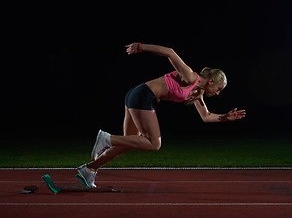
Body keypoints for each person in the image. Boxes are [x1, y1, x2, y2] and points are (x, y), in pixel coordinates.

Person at [76, 43, 246, 188]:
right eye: (218, 89)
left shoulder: (196, 92)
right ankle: (106, 139)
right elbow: (170, 52)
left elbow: (206, 116)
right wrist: (141, 47)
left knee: (129, 142)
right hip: (143, 95)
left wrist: (225, 117)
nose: (217, 93)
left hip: (137, 94)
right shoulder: (190, 76)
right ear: (211, 81)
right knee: (154, 144)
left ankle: (89, 169)